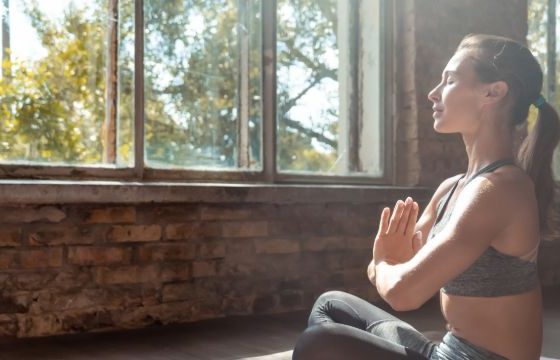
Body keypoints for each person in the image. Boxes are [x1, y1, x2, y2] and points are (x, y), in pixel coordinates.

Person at [292, 33, 560, 360]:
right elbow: (402, 272)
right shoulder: (452, 188)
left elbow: (403, 293)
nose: (433, 93)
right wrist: (392, 266)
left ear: (494, 91)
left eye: (449, 80)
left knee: (319, 343)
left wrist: (382, 264)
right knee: (331, 304)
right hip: (446, 350)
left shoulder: (501, 188)